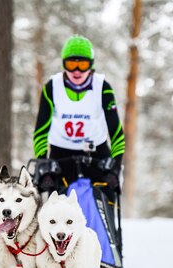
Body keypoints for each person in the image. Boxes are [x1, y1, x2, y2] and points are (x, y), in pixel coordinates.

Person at [32, 35, 125, 199]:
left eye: (82, 64)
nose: (76, 71)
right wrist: (42, 162)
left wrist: (115, 165)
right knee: (57, 205)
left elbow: (116, 131)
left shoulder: (102, 87)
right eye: (71, 64)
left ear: (91, 65)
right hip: (61, 153)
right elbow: (41, 130)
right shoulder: (52, 87)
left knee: (107, 197)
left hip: (96, 152)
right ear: (63, 64)